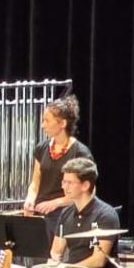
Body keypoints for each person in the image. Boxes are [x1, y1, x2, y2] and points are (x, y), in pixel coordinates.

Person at [23, 95, 91, 227]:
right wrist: (30, 199)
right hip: (41, 214)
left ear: (63, 124)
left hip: (65, 215)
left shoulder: (80, 153)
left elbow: (87, 192)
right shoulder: (41, 148)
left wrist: (56, 203)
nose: (43, 125)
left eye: (47, 121)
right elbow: (35, 183)